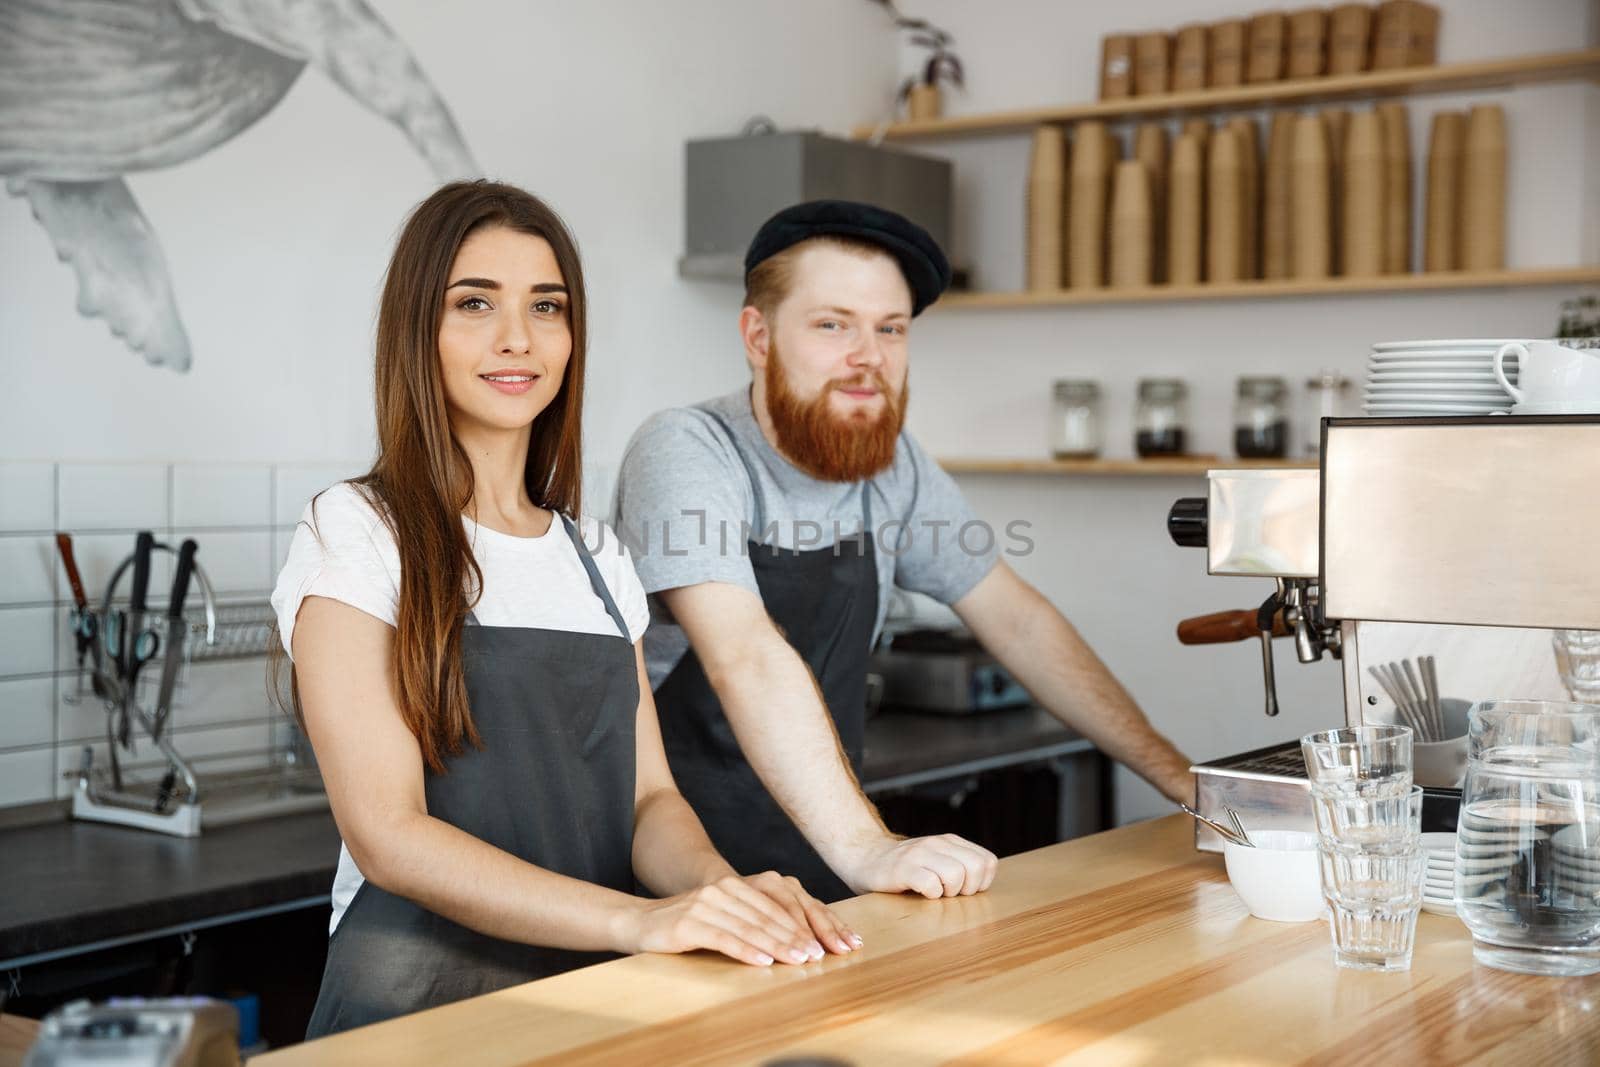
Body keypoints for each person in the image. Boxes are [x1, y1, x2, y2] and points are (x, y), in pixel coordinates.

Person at [272, 182, 859, 1038]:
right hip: (410, 1017)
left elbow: (649, 802)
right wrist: (638, 922)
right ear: (417, 331)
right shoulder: (359, 531)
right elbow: (388, 835)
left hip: (588, 1007)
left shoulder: (596, 557)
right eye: (475, 303)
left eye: (546, 306)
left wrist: (718, 893)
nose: (518, 337)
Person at [615, 200, 1194, 904]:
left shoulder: (893, 468)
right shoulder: (688, 449)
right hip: (680, 878)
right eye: (833, 325)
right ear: (758, 336)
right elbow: (745, 656)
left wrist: (1183, 781)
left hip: (824, 863)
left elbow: (1018, 621)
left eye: (890, 328)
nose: (869, 357)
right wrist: (872, 848)